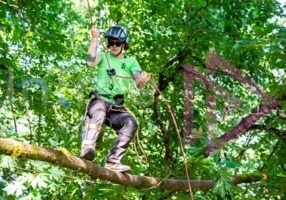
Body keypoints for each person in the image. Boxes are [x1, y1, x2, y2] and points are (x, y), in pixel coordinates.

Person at [80, 24, 151, 173]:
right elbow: (90, 62)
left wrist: (142, 80)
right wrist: (94, 39)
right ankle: (88, 147)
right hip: (99, 100)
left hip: (116, 108)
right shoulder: (103, 56)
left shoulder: (131, 62)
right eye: (111, 42)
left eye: (117, 43)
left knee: (131, 122)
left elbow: (138, 81)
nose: (114, 46)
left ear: (124, 44)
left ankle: (113, 161)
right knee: (99, 112)